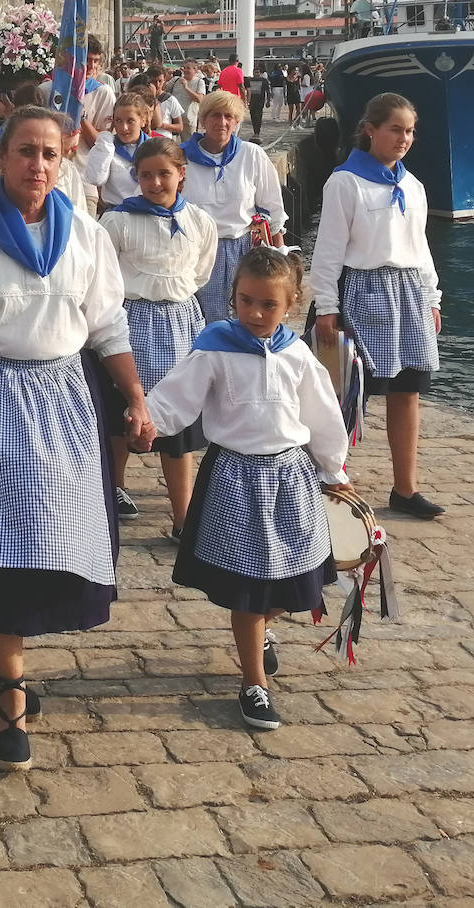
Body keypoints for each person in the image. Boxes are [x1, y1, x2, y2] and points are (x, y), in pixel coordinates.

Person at [0, 107, 154, 772]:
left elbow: (108, 326)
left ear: (64, 158)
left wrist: (133, 396)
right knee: (1, 549)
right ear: (0, 157)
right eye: (24, 152)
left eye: (48, 153)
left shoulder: (86, 237)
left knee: (51, 542)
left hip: (66, 401)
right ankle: (11, 696)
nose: (36, 166)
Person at [142, 249, 349, 732]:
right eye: (245, 301)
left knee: (295, 583)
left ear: (292, 304)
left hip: (291, 479)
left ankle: (263, 632)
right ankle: (253, 683)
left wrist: (334, 469)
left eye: (268, 306)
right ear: (232, 296)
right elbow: (175, 398)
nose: (255, 313)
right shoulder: (214, 346)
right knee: (248, 591)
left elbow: (322, 417)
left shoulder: (297, 355)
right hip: (234, 479)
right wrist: (145, 422)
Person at [309, 93, 443, 521]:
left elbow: (420, 248)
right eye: (395, 129)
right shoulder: (345, 182)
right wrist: (327, 305)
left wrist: (432, 298)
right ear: (370, 129)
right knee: (347, 395)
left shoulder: (413, 185)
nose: (404, 138)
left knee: (408, 392)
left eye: (409, 131)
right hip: (362, 290)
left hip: (407, 292)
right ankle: (332, 481)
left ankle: (405, 487)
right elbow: (328, 250)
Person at [100, 137, 216, 536]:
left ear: (181, 174)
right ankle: (113, 489)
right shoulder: (118, 222)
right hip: (132, 321)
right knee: (122, 413)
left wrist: (172, 294)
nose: (154, 183)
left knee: (177, 420)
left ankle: (182, 515)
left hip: (180, 323)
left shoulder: (199, 222)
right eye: (145, 175)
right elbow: (102, 274)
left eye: (163, 174)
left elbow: (200, 271)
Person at [182, 90, 286, 324]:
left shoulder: (252, 154)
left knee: (248, 318)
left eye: (229, 116)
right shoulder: (181, 158)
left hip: (244, 249)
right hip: (199, 251)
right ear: (203, 119)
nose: (222, 122)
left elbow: (274, 208)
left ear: (237, 121)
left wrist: (281, 259)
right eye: (215, 116)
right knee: (203, 322)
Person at [82, 92, 151, 211]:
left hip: (147, 214)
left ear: (143, 120)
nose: (124, 127)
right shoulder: (107, 146)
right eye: (119, 121)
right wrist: (106, 138)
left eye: (130, 121)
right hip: (116, 215)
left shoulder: (154, 148)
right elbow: (96, 178)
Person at [77, 37, 117, 150]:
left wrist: (82, 118)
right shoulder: (49, 90)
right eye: (87, 60)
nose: (92, 66)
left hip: (87, 162)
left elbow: (104, 143)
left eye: (96, 61)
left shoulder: (104, 93)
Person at [246, 64, 270, 144]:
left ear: (260, 73)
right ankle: (255, 131)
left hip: (260, 101)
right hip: (252, 101)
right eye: (255, 72)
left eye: (258, 72)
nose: (257, 74)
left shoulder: (264, 80)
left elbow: (268, 91)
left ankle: (257, 132)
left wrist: (268, 101)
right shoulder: (249, 80)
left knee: (258, 116)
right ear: (253, 73)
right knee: (253, 117)